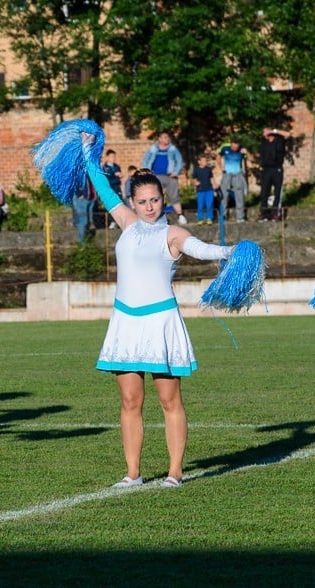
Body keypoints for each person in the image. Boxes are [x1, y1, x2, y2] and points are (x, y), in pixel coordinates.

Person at [83, 155, 234, 488]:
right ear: (132, 203)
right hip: (126, 321)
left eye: (154, 200)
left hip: (160, 322)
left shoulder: (173, 233)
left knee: (169, 400)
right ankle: (132, 473)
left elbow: (202, 248)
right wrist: (87, 153)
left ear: (162, 199)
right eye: (142, 201)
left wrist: (229, 252)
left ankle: (175, 471)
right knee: (130, 401)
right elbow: (104, 189)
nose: (149, 207)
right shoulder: (126, 223)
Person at [140, 131, 187, 224]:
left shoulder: (173, 149)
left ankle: (180, 215)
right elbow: (145, 160)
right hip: (156, 177)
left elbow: (180, 161)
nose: (167, 139)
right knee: (155, 197)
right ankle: (157, 218)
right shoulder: (153, 149)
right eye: (165, 137)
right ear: (160, 139)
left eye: (168, 137)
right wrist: (147, 172)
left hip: (170, 176)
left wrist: (176, 172)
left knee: (174, 196)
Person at [258, 128, 288, 221]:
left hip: (277, 168)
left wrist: (274, 131)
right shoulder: (263, 142)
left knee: (277, 191)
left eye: (266, 131)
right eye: (264, 132)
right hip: (266, 169)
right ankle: (264, 213)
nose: (264, 134)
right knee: (264, 192)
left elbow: (288, 134)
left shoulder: (279, 140)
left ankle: (275, 213)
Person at [218, 138, 250, 223]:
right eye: (233, 146)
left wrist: (247, 153)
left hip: (237, 174)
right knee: (223, 195)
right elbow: (218, 156)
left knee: (239, 195)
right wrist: (221, 167)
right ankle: (223, 216)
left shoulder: (242, 149)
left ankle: (240, 217)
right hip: (227, 174)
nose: (234, 148)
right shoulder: (225, 148)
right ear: (231, 144)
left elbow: (251, 159)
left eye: (236, 147)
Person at [101, 149, 123, 229]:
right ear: (107, 157)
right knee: (111, 205)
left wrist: (119, 176)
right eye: (111, 157)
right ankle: (112, 221)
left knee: (119, 204)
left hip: (117, 188)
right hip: (110, 188)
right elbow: (107, 178)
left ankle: (118, 222)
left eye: (114, 157)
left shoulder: (117, 166)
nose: (113, 158)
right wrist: (115, 175)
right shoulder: (105, 168)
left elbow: (119, 178)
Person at [192, 153, 215, 225]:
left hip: (209, 189)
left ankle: (209, 218)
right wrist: (195, 183)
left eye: (206, 161)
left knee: (209, 204)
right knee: (200, 205)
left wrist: (214, 184)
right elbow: (193, 179)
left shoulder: (208, 169)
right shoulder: (196, 170)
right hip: (200, 190)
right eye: (203, 161)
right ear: (199, 161)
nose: (205, 162)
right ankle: (200, 219)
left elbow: (211, 178)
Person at [72, 178, 96, 242]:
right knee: (82, 222)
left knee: (89, 222)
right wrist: (79, 194)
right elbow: (73, 181)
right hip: (82, 199)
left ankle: (86, 240)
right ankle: (82, 244)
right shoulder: (78, 170)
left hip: (90, 198)